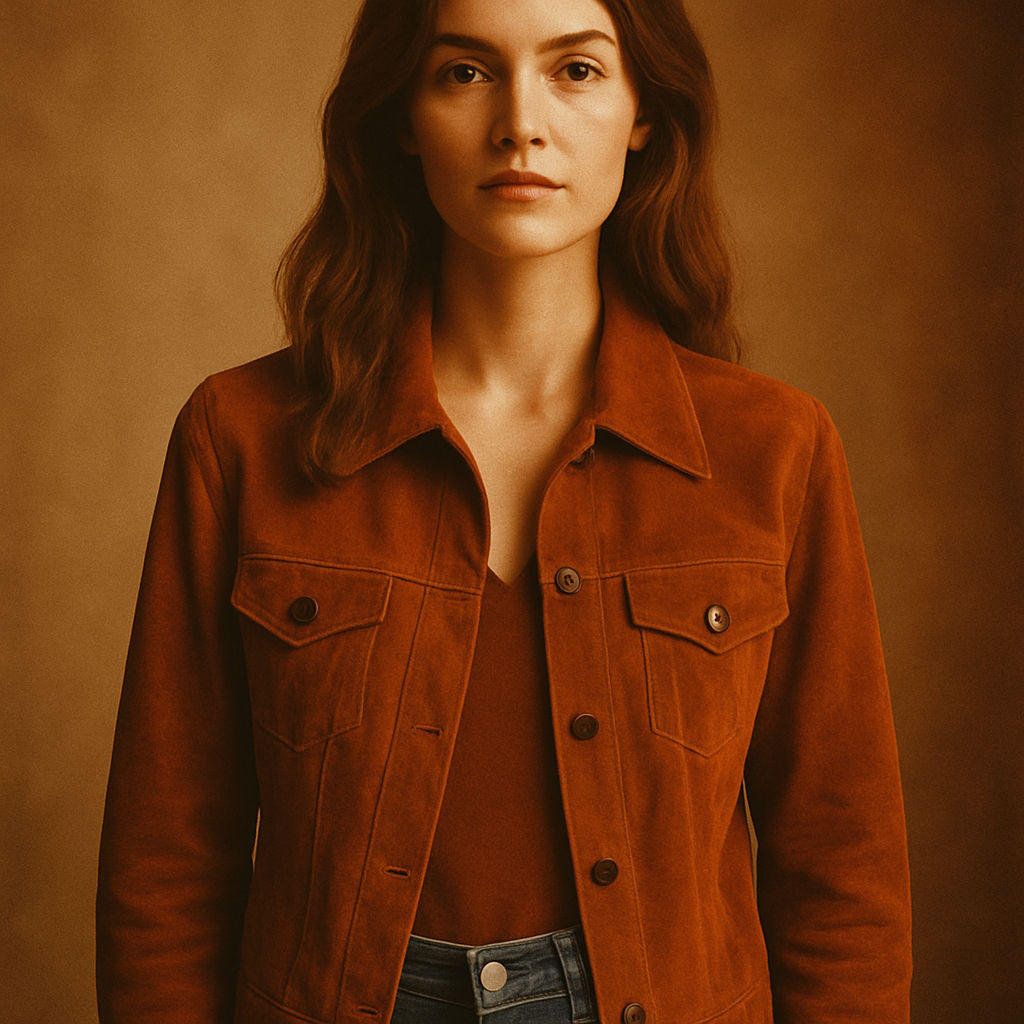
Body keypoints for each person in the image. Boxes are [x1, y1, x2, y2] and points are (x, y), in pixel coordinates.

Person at [96, 0, 912, 1021]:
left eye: (574, 71)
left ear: (643, 109)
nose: (519, 121)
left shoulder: (774, 450)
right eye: (464, 72)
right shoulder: (242, 435)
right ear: (400, 112)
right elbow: (167, 863)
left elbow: (843, 868)